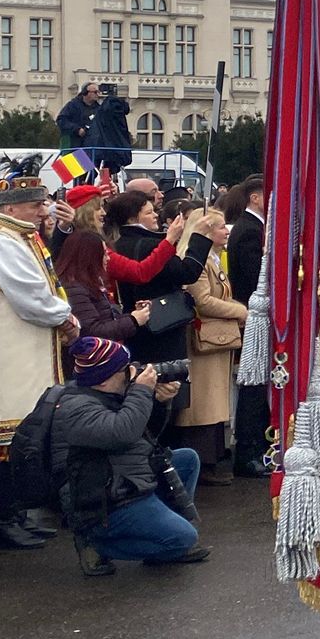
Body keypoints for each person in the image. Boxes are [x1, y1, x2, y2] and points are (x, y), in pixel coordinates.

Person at [0, 175, 77, 549]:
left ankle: (16, 516)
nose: (43, 211)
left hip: (15, 360)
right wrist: (66, 317)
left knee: (18, 440)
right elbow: (31, 297)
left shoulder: (15, 237)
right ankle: (2, 522)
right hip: (1, 362)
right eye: (35, 205)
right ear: (10, 208)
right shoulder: (0, 242)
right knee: (3, 444)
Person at [51, 336, 207, 572]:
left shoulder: (107, 392)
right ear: (104, 378)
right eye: (124, 369)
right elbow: (123, 433)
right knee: (186, 538)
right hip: (104, 502)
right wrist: (141, 391)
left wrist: (158, 401)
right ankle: (95, 544)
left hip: (124, 477)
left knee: (186, 459)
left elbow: (146, 438)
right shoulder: (76, 408)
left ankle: (164, 538)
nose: (131, 372)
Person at [107, 193, 216, 458]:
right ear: (132, 217)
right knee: (164, 395)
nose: (156, 214)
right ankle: (163, 459)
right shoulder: (149, 245)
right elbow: (187, 272)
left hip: (135, 327)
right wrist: (199, 237)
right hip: (163, 327)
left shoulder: (118, 244)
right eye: (149, 211)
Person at [181, 207, 249, 482]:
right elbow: (203, 301)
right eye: (221, 227)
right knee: (204, 402)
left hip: (216, 339)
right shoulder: (197, 261)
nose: (226, 231)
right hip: (203, 340)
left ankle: (214, 456)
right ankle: (203, 463)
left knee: (214, 398)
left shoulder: (213, 259)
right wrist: (241, 311)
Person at [224, 176, 269, 476]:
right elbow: (257, 278)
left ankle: (257, 446)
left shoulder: (254, 227)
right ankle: (249, 450)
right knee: (253, 386)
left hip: (255, 315)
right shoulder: (250, 231)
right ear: (255, 197)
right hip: (254, 318)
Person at [86, 85, 134, 173]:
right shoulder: (119, 115)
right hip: (116, 152)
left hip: (96, 150)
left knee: (69, 169)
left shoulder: (102, 113)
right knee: (105, 173)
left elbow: (93, 135)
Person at [56, 83, 102, 151]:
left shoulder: (99, 108)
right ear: (85, 93)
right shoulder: (73, 105)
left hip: (91, 147)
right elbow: (61, 120)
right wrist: (77, 129)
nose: (98, 94)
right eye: (95, 92)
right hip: (73, 145)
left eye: (98, 92)